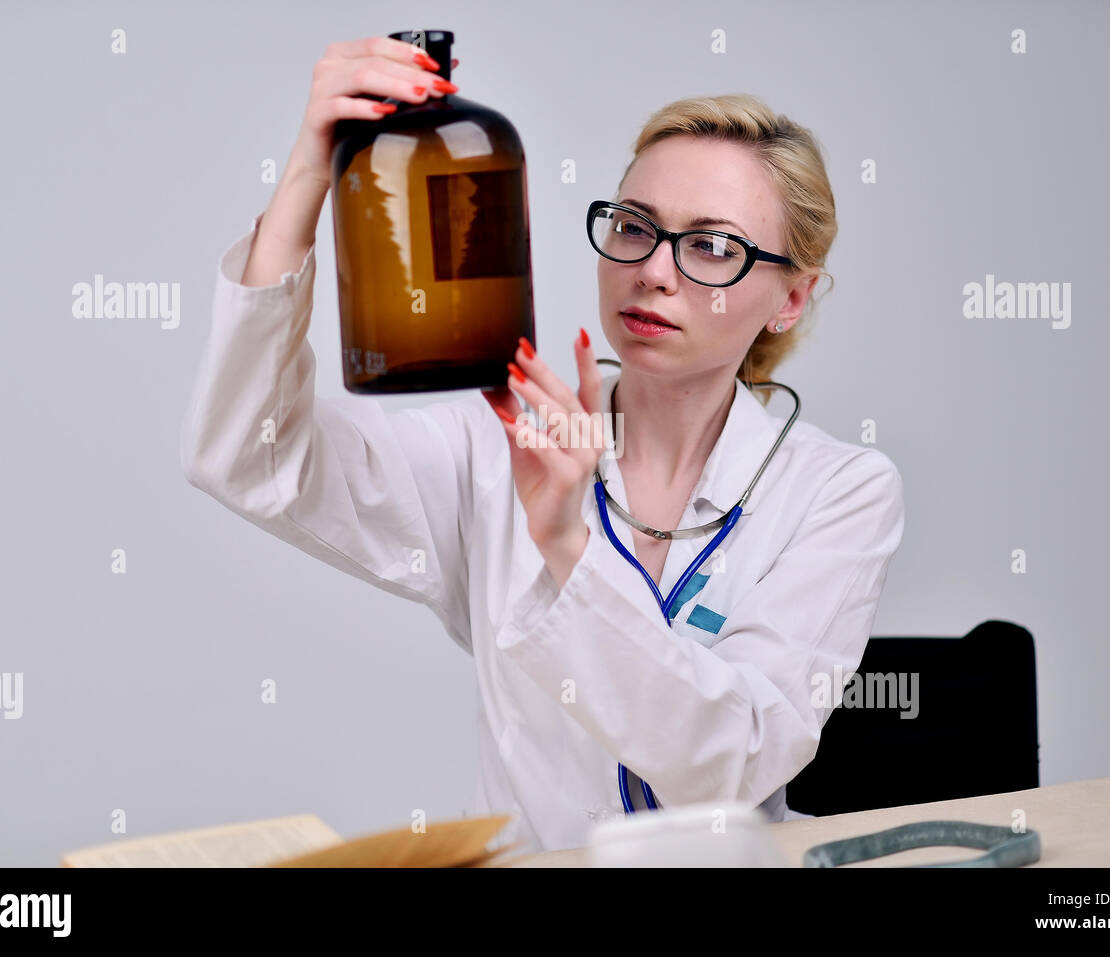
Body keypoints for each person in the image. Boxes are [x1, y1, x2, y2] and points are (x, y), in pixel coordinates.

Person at [180, 36, 905, 855]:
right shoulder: (501, 440)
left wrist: (566, 541)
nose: (654, 271)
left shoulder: (838, 489)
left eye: (711, 246)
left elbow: (730, 763)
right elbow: (249, 454)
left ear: (792, 297)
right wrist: (311, 176)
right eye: (635, 226)